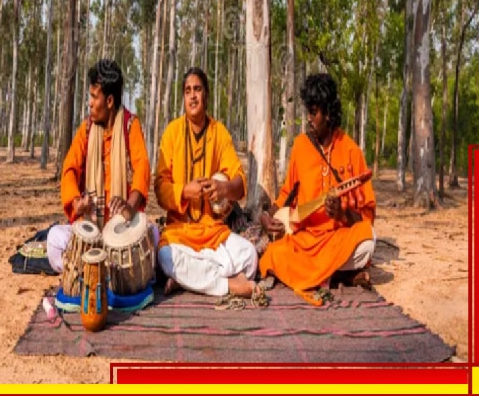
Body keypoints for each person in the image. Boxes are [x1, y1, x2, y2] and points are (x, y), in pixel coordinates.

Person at [258, 73, 377, 304]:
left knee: (368, 240)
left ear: (328, 113)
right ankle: (338, 275)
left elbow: (367, 216)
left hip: (336, 239)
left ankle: (317, 274)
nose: (308, 119)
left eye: (313, 113)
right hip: (305, 239)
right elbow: (286, 193)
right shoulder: (301, 146)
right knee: (273, 254)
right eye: (307, 112)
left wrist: (342, 214)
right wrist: (267, 216)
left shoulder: (351, 150)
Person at [154, 68, 260, 299]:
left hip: (213, 232)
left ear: (206, 95)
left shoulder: (219, 133)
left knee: (250, 257)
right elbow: (160, 189)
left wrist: (224, 189)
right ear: (183, 97)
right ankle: (229, 285)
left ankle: (191, 278)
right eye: (188, 91)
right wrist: (183, 191)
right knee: (164, 256)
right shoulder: (172, 133)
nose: (192, 96)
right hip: (180, 231)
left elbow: (240, 182)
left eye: (198, 90)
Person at [47, 59, 152, 272]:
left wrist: (129, 207)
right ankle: (107, 271)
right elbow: (69, 169)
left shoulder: (130, 126)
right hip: (91, 226)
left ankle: (89, 271)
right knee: (54, 240)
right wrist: (77, 203)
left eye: (94, 97)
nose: (90, 103)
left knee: (155, 238)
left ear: (110, 101)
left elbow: (142, 168)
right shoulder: (86, 129)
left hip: (123, 228)